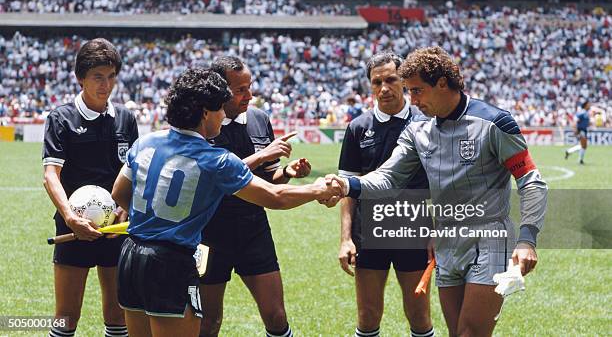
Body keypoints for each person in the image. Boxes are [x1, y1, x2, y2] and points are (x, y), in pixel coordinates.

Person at [325, 46, 548, 337]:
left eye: (416, 91)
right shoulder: (418, 131)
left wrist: (527, 239)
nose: (413, 101)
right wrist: (347, 184)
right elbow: (388, 177)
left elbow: (531, 180)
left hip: (489, 238)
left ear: (442, 83)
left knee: (470, 333)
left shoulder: (495, 122)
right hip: (446, 242)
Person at [111, 68, 341, 337]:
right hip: (170, 263)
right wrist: (318, 188)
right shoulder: (215, 159)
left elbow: (119, 193)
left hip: (131, 256)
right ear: (205, 113)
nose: (224, 114)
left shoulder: (146, 142)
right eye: (220, 108)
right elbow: (274, 197)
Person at [199, 56, 310, 337]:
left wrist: (288, 171)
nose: (249, 95)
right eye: (240, 90)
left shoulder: (259, 119)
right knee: (208, 321)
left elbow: (267, 177)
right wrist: (263, 154)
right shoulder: (203, 124)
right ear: (220, 91)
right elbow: (216, 178)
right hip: (208, 233)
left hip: (252, 228)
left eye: (250, 87)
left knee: (276, 316)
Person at [42, 38, 138, 337]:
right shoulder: (61, 118)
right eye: (98, 77)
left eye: (111, 77)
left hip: (117, 229)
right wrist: (71, 217)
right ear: (80, 77)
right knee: (66, 318)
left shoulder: (125, 118)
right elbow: (50, 175)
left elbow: (134, 171)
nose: (106, 85)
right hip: (73, 227)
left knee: (118, 313)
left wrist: (125, 207)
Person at [337, 51, 434, 337]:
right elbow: (348, 188)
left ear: (403, 81)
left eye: (391, 79)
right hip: (369, 232)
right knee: (367, 316)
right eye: (376, 82)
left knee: (419, 315)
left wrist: (436, 229)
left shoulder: (426, 123)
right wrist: (345, 239)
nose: (384, 88)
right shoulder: (358, 128)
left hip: (414, 230)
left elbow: (442, 184)